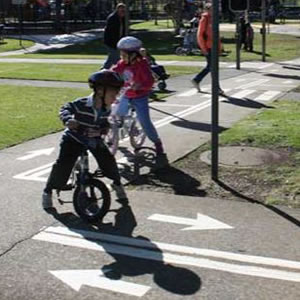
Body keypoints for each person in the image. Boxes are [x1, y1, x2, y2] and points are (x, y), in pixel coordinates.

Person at [42, 70, 127, 209]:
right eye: (113, 94)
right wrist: (68, 119)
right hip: (74, 138)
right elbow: (65, 108)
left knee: (108, 161)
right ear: (100, 91)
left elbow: (109, 122)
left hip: (93, 139)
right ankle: (48, 191)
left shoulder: (108, 108)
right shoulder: (82, 104)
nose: (116, 97)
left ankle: (117, 183)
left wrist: (109, 126)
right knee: (63, 165)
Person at [111, 36, 165, 156]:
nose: (122, 58)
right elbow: (114, 71)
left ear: (134, 55)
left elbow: (149, 82)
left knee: (145, 122)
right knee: (116, 113)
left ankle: (157, 142)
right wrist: (105, 75)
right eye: (121, 55)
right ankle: (114, 135)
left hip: (140, 96)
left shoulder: (142, 65)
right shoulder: (123, 63)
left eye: (124, 56)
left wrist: (140, 86)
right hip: (125, 94)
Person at [191, 2, 224, 95]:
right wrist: (203, 48)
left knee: (212, 67)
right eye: (212, 9)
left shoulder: (214, 19)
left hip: (214, 47)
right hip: (208, 47)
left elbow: (217, 35)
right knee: (212, 67)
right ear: (208, 9)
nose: (215, 11)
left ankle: (197, 80)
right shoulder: (204, 18)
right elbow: (200, 35)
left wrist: (220, 48)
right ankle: (216, 87)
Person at [102, 3, 126, 69]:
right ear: (117, 10)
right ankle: (120, 72)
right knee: (116, 59)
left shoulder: (122, 18)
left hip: (118, 42)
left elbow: (123, 31)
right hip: (111, 42)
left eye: (124, 11)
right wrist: (116, 43)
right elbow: (111, 33)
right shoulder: (112, 18)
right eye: (121, 10)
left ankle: (103, 71)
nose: (123, 12)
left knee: (111, 58)